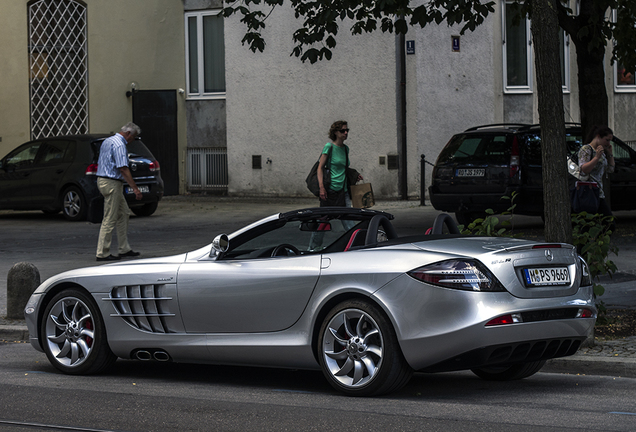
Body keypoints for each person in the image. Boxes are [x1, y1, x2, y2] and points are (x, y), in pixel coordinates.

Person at [95, 122, 143, 261]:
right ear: (128, 134)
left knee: (123, 213)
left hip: (104, 180)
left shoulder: (108, 141)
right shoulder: (119, 144)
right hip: (112, 183)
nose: (131, 141)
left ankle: (124, 248)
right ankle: (102, 252)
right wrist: (135, 188)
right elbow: (123, 168)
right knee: (110, 218)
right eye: (133, 137)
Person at [317, 120, 362, 207]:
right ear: (335, 132)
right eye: (342, 131)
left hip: (343, 190)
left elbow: (342, 167)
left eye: (347, 130)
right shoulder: (329, 147)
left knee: (348, 219)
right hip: (330, 190)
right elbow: (320, 168)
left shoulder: (346, 149)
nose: (345, 133)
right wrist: (321, 188)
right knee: (325, 218)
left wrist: (355, 174)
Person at [578, 125, 615, 221]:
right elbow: (584, 169)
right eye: (607, 140)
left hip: (598, 192)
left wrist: (610, 154)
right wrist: (596, 158)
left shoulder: (601, 152)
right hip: (588, 192)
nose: (608, 143)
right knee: (603, 221)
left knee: (605, 221)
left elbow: (610, 169)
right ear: (598, 136)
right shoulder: (586, 149)